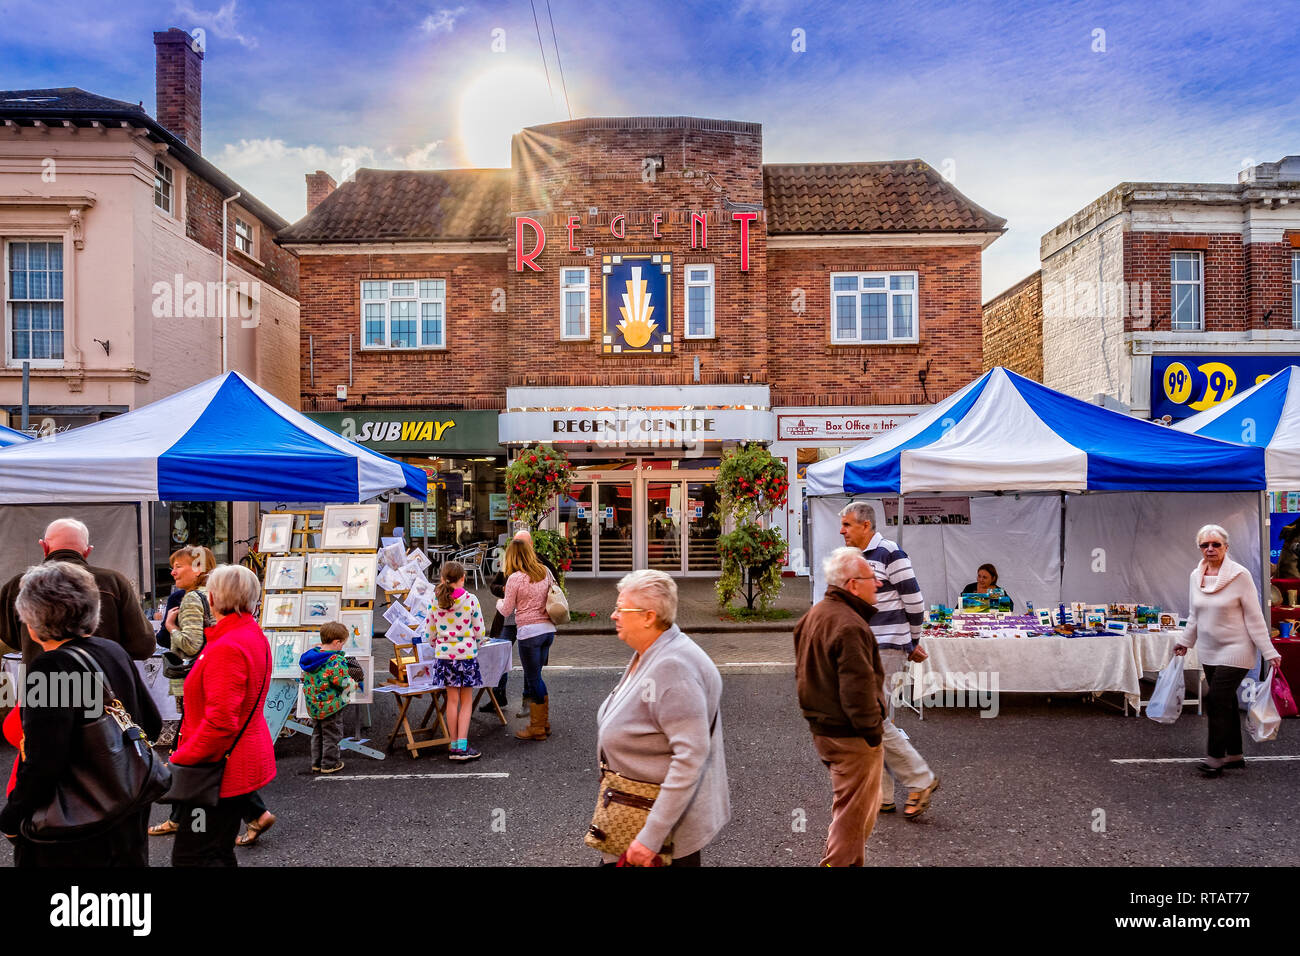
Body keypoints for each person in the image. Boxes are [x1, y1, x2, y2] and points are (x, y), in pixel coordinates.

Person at [0, 562, 161, 867]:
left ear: (31, 621)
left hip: (75, 826)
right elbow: (149, 724)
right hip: (127, 809)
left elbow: (44, 762)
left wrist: (12, 817)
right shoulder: (111, 650)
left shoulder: (50, 669)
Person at [596, 569, 729, 866]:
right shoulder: (652, 651)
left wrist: (649, 838)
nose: (613, 615)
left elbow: (690, 757)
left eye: (621, 608)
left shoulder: (673, 666)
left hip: (657, 834)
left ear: (648, 616)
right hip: (636, 812)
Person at [838, 501, 940, 819]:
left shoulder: (890, 553)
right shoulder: (855, 559)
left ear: (866, 526)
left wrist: (912, 641)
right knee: (873, 721)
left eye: (848, 525)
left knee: (873, 719)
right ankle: (883, 795)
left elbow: (914, 600)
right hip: (863, 649)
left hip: (886, 649)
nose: (842, 531)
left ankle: (920, 779)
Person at [169, 564, 275, 867]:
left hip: (216, 772)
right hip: (235, 762)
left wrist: (180, 758)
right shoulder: (250, 635)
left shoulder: (226, 647)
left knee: (195, 854)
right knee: (215, 850)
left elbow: (220, 723)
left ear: (211, 597)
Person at [794, 547, 888, 866]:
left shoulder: (815, 614)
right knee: (852, 820)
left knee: (853, 810)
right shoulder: (850, 626)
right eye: (871, 578)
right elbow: (857, 691)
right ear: (852, 584)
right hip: (850, 736)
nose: (877, 584)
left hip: (825, 729)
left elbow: (803, 672)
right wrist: (873, 733)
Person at [1174, 524, 1282, 777]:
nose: (1210, 549)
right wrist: (1185, 641)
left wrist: (1269, 652)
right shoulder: (1195, 575)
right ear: (1199, 548)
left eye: (1216, 544)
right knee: (1228, 702)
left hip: (1238, 649)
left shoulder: (1239, 575)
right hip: (1210, 650)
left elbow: (1255, 618)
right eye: (1204, 545)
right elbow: (1194, 614)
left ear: (1226, 547)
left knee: (1216, 700)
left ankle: (1215, 757)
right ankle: (1235, 754)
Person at [0, 518, 155, 668]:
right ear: (87, 551)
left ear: (44, 547)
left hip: (39, 684)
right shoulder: (113, 582)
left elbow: (10, 639)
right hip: (100, 684)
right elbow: (143, 645)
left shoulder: (18, 585)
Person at [149, 545, 215, 837]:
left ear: (198, 568)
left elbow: (190, 645)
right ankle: (254, 812)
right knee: (196, 749)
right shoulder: (216, 594)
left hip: (194, 680)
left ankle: (180, 818)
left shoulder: (190, 599)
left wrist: (171, 626)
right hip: (209, 678)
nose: (172, 572)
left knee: (188, 748)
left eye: (179, 566)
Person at [482, 529, 556, 715]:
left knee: (531, 669)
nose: (515, 546)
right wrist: (504, 590)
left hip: (529, 625)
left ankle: (530, 704)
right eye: (514, 542)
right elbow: (494, 586)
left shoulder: (543, 565)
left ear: (529, 545)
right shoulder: (511, 566)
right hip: (511, 623)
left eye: (519, 543)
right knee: (500, 656)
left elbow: (554, 590)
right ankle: (499, 697)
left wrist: (507, 598)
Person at [497, 536, 557, 741]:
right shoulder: (545, 571)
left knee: (534, 679)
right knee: (537, 676)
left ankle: (538, 727)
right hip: (548, 630)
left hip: (529, 633)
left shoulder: (515, 578)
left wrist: (498, 601)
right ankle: (544, 723)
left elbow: (506, 611)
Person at [428, 561, 486, 761]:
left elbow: (430, 631)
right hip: (466, 656)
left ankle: (453, 745)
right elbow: (480, 630)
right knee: (466, 701)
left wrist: (436, 643)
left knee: (451, 701)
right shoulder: (471, 600)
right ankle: (462, 746)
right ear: (462, 579)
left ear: (442, 579)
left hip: (444, 657)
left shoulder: (436, 600)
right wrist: (477, 641)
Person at [300, 621, 357, 774]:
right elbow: (342, 682)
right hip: (330, 706)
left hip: (313, 706)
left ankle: (316, 763)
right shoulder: (335, 661)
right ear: (337, 642)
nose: (342, 647)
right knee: (332, 735)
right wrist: (353, 684)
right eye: (342, 643)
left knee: (317, 733)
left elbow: (303, 678)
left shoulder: (312, 657)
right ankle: (330, 763)